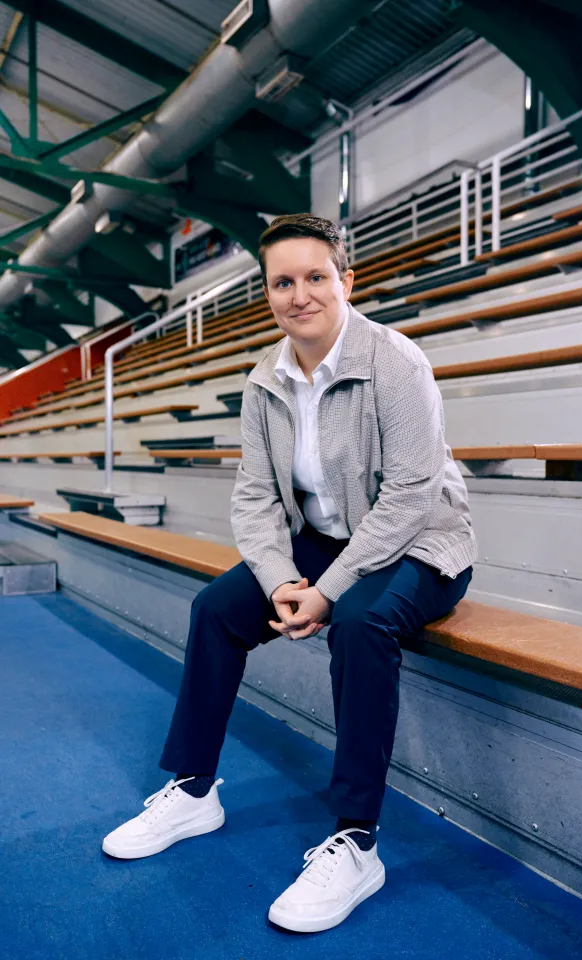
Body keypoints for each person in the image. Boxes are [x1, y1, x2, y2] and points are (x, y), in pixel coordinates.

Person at [102, 213, 477, 933]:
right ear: (268, 293)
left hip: (422, 544)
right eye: (283, 282)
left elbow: (409, 497)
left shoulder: (395, 361)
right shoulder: (263, 380)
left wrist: (328, 593)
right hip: (325, 544)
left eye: (315, 277)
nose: (299, 294)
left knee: (362, 624)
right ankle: (193, 790)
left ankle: (357, 840)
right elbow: (254, 495)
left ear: (346, 281)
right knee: (217, 608)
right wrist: (280, 581)